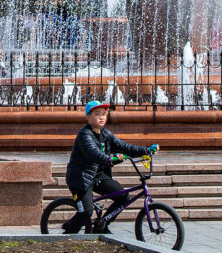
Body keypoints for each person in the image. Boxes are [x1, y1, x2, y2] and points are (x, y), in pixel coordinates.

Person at [61, 100, 158, 234]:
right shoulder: (85, 135)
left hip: (98, 176)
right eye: (97, 114)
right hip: (81, 178)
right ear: (88, 117)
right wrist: (110, 159)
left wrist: (145, 150)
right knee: (86, 212)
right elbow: (94, 154)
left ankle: (102, 225)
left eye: (104, 114)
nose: (101, 117)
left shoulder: (105, 134)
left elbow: (124, 147)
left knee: (123, 197)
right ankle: (66, 238)